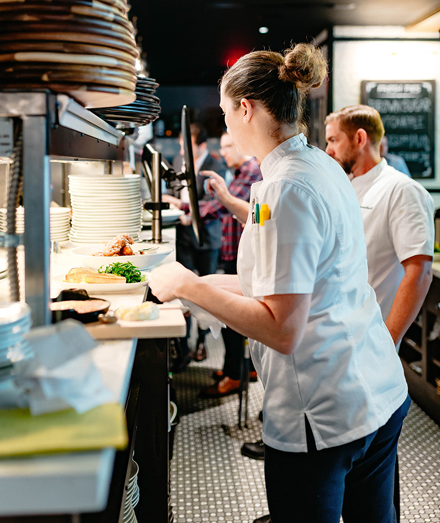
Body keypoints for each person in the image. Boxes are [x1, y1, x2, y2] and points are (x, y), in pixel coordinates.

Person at [150, 44, 410, 523]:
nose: (226, 123)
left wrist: (189, 285)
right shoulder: (321, 166)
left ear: (245, 108)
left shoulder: (284, 187)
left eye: (227, 112)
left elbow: (281, 328)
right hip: (376, 392)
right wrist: (206, 283)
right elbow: (289, 283)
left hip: (325, 410)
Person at [325, 105, 434, 523]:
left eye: (333, 139)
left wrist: (389, 339)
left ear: (360, 138)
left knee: (378, 461)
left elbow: (419, 270)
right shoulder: (350, 187)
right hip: (350, 342)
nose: (328, 147)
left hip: (377, 343)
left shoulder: (401, 190)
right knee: (366, 456)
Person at [198, 131, 262, 397]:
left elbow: (223, 205)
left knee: (233, 318)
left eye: (226, 147)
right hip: (234, 251)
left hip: (242, 255)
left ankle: (235, 374)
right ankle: (237, 369)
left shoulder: (251, 172)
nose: (222, 152)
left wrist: (188, 210)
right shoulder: (238, 172)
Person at [164, 123, 225, 367]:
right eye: (181, 144)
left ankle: (202, 340)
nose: (181, 150)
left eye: (186, 145)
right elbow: (172, 190)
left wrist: (183, 209)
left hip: (207, 237)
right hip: (183, 235)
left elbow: (213, 204)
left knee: (206, 290)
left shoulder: (215, 166)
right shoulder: (178, 162)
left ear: (201, 145)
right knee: (185, 288)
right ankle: (184, 345)